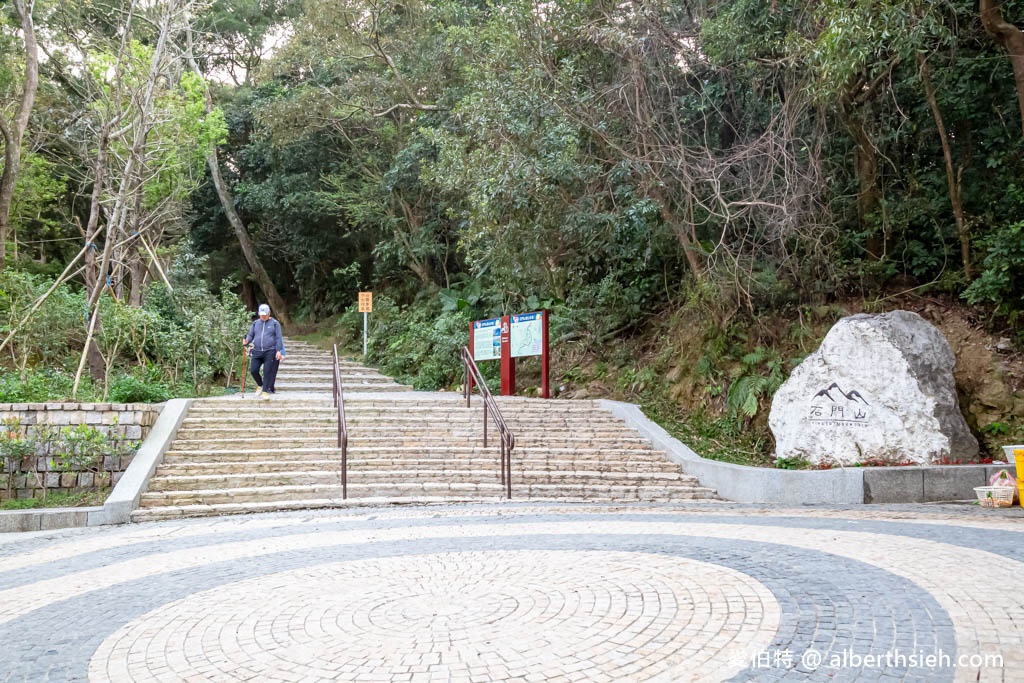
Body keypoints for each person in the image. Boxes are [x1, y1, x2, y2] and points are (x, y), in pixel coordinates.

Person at [243, 303, 285, 399]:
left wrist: (279, 351)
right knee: (253, 370)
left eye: (265, 315)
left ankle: (265, 392)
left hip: (270, 351)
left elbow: (279, 338)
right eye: (261, 315)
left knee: (267, 372)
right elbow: (250, 335)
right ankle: (260, 385)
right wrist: (247, 340)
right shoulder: (255, 323)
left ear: (269, 313)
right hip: (257, 350)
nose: (263, 317)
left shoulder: (275, 323)